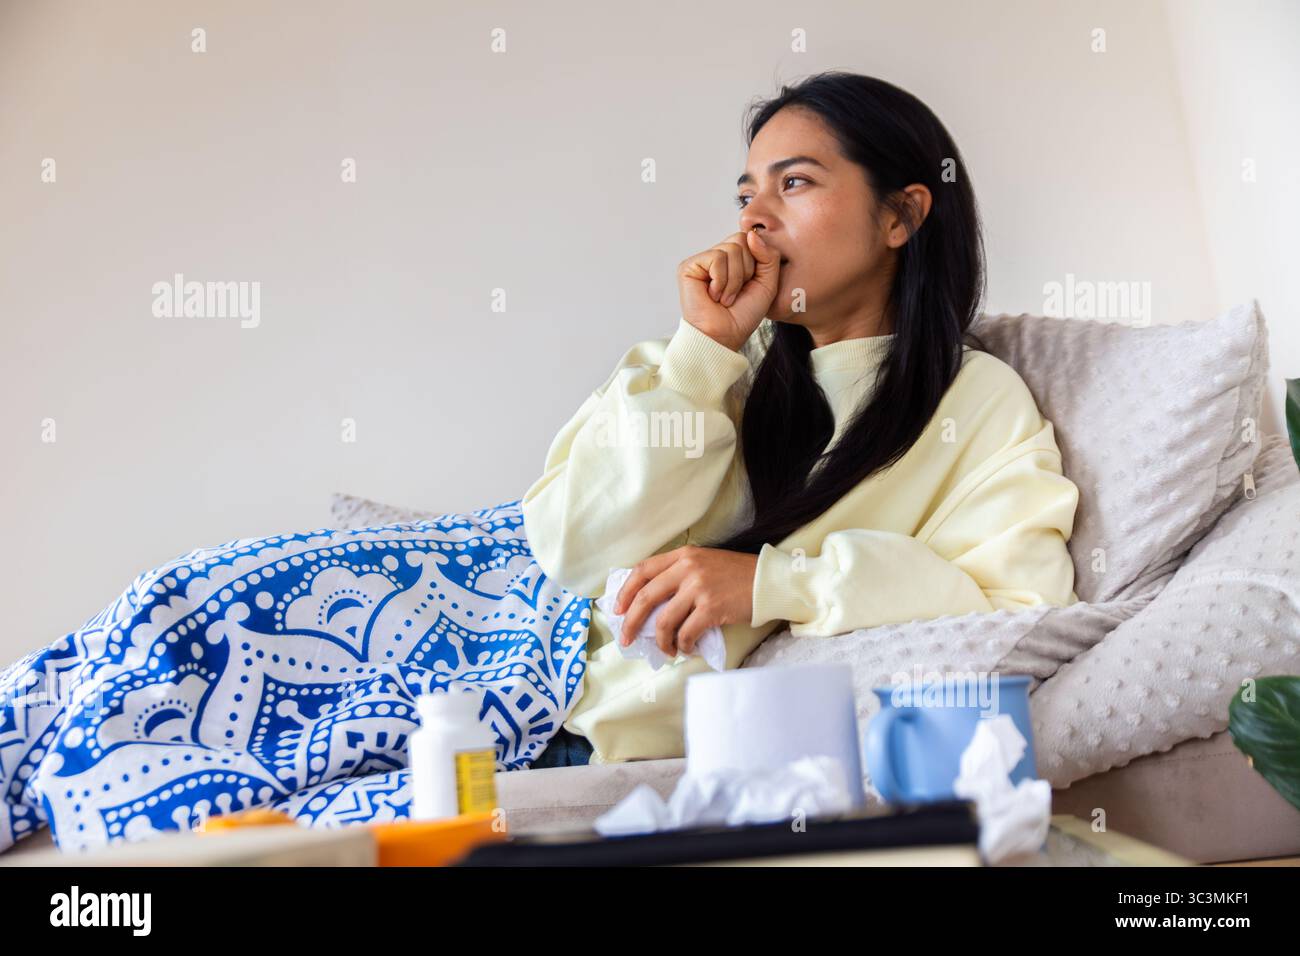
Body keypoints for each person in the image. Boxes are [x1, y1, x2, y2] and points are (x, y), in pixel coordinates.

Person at [521, 70, 1080, 767]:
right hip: (528, 693)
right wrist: (703, 358)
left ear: (901, 217)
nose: (753, 219)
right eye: (745, 194)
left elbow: (1018, 609)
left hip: (603, 751)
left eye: (793, 183)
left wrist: (772, 584)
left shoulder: (975, 401)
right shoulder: (697, 364)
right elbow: (569, 550)